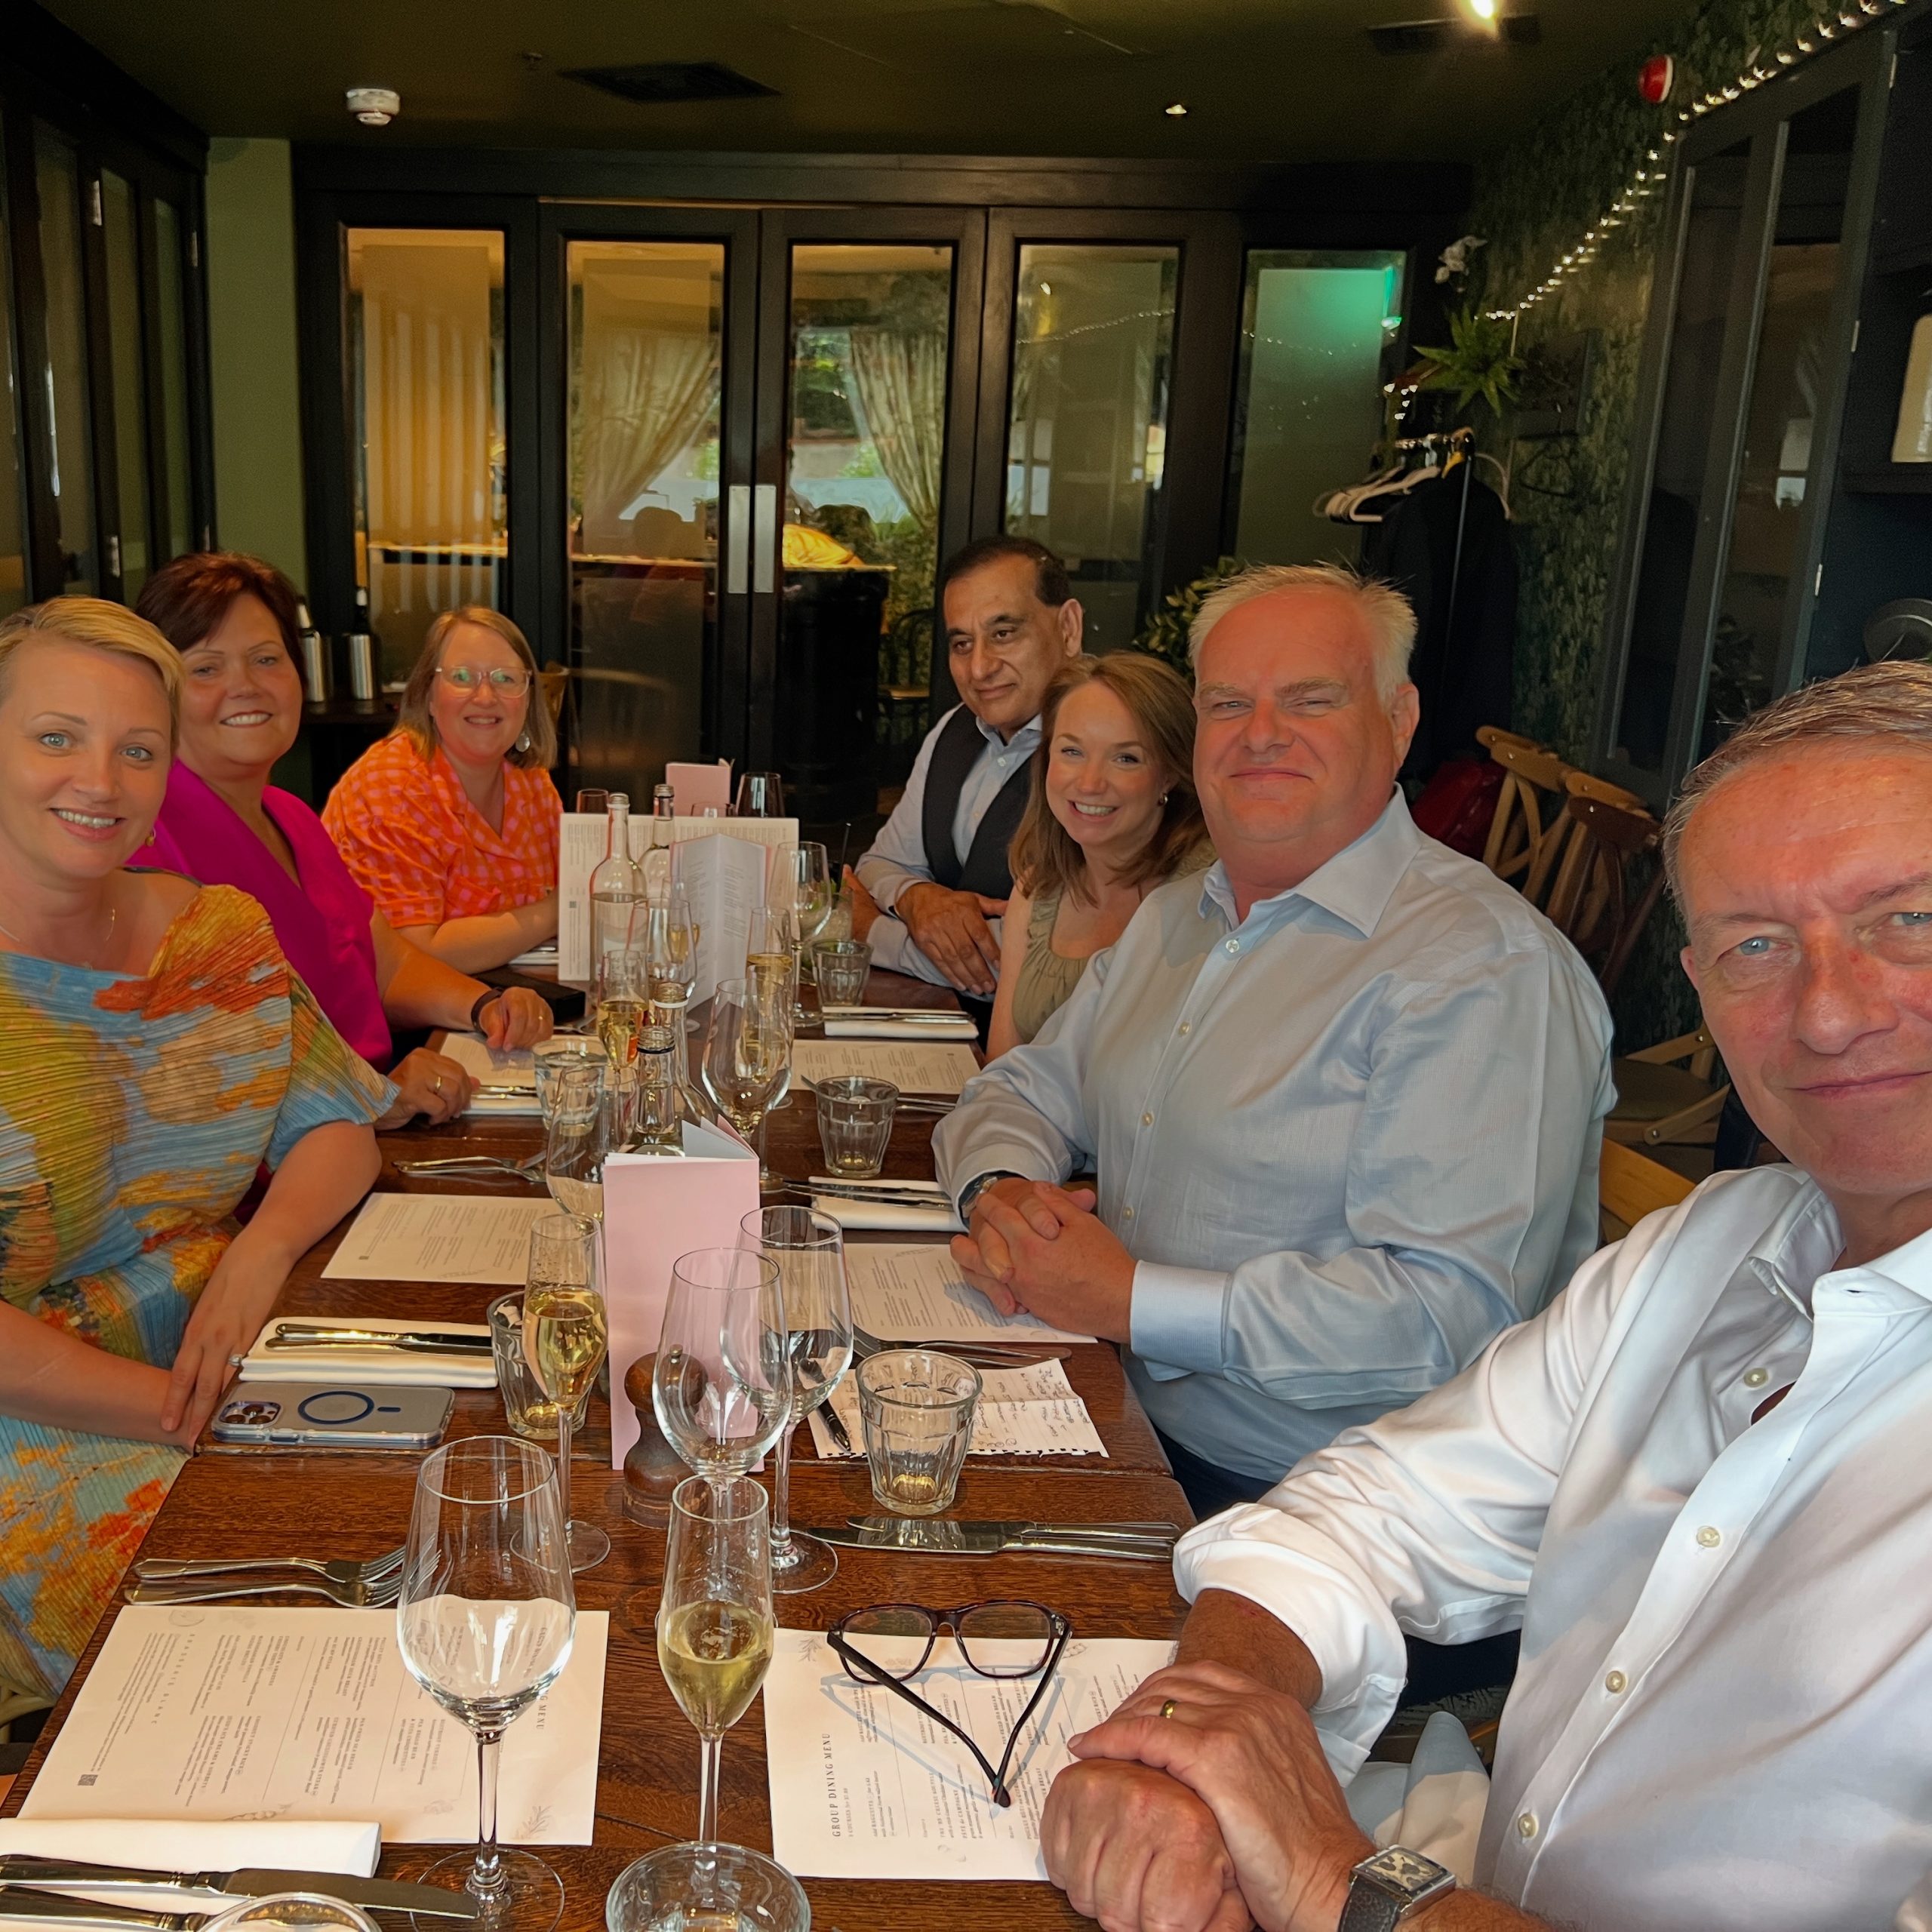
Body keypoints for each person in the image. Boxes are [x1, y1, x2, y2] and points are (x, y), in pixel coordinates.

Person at [1038, 660, 1932, 1932]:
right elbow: (1367, 1511)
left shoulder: (1482, 968)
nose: (1831, 1013)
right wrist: (1198, 1736)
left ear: (1401, 725)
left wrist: (1337, 1880)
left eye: (1911, 921)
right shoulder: (1716, 1249)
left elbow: (1422, 1321)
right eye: (1757, 946)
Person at [934, 562, 1614, 1521]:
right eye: (1228, 704)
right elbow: (1024, 1089)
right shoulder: (1178, 918)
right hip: (1122, 1416)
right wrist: (1000, 1194)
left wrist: (1128, 1300)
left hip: (1338, 1511)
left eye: (1310, 700)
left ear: (1400, 718)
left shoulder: (1480, 971)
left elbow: (1444, 1319)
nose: (1260, 735)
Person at [0, 598, 389, 1699]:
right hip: (40, 1427)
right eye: (54, 738)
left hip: (231, 1358)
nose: (100, 781)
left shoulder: (212, 931)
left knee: (457, 1530)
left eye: (137, 750)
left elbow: (336, 1130)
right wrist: (187, 1413)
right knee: (290, 1666)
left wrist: (260, 1255)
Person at [133, 553, 555, 1128]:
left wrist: (483, 1006)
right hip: (274, 1183)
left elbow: (386, 963)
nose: (246, 687)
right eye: (207, 669)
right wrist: (366, 1096)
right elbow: (191, 1080)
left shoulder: (289, 816)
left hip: (362, 1133)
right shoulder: (149, 847)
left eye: (266, 659)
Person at [853, 534, 1084, 1007]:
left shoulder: (1101, 751)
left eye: (1003, 634)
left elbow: (1041, 962)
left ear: (1068, 628)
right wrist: (919, 899)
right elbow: (880, 863)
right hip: (943, 1026)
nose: (980, 668)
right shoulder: (955, 730)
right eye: (962, 643)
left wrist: (868, 930)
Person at [987, 653, 1211, 1057]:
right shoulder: (1037, 888)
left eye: (1126, 758)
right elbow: (1001, 1069)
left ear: (1170, 773)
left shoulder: (1213, 894)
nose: (1089, 783)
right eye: (1072, 752)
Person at [322, 606, 561, 973]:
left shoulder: (531, 782)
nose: (485, 696)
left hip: (509, 1001)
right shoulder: (390, 787)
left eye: (506, 679)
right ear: (428, 697)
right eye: (462, 676)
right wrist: (557, 911)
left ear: (528, 699)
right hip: (399, 1024)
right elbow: (412, 957)